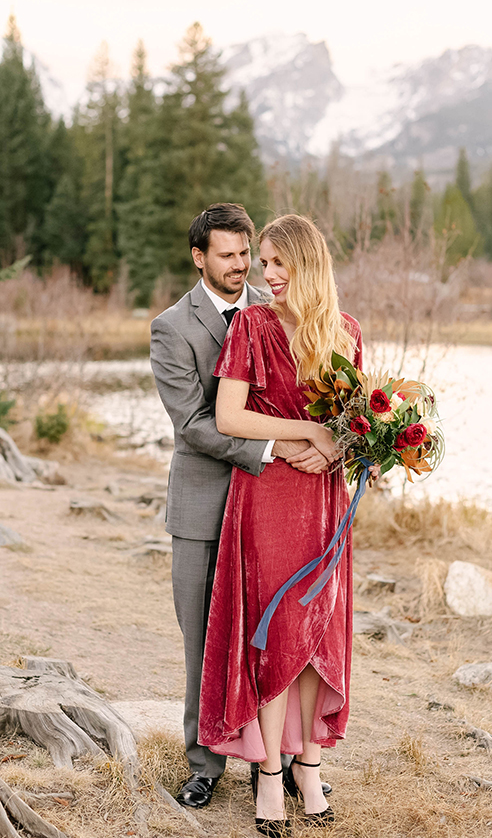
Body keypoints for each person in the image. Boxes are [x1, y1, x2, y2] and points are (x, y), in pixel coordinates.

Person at [198, 214, 378, 835]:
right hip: (270, 498)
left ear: (309, 267)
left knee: (315, 635)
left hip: (326, 500)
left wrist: (336, 448)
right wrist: (308, 431)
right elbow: (229, 417)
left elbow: (359, 424)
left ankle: (309, 763)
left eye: (279, 264)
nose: (266, 276)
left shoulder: (346, 333)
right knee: (275, 631)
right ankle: (269, 773)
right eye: (263, 263)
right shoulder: (250, 325)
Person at [150, 204, 328, 810]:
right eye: (226, 255)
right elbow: (195, 424)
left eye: (245, 253)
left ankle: (269, 760)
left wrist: (329, 448)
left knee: (269, 635)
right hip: (205, 506)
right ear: (199, 257)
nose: (240, 265)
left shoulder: (275, 307)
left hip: (274, 510)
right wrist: (282, 443)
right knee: (205, 640)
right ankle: (205, 764)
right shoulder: (171, 328)